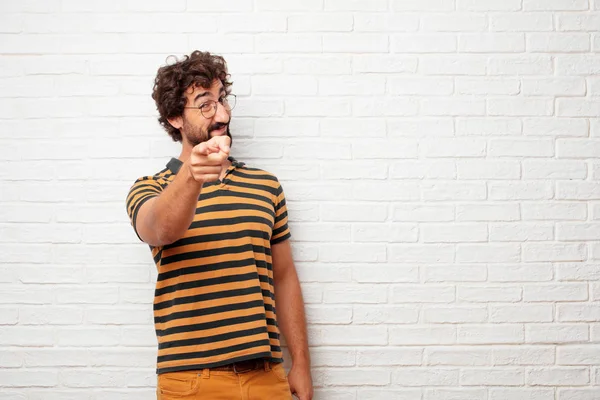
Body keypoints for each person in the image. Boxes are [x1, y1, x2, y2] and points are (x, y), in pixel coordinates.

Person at [125, 51, 313, 400]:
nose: (222, 113)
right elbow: (160, 228)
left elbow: (284, 275)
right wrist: (192, 177)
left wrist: (300, 363)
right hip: (190, 381)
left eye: (222, 100)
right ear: (175, 117)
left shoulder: (266, 186)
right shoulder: (150, 187)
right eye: (205, 104)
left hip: (266, 377)